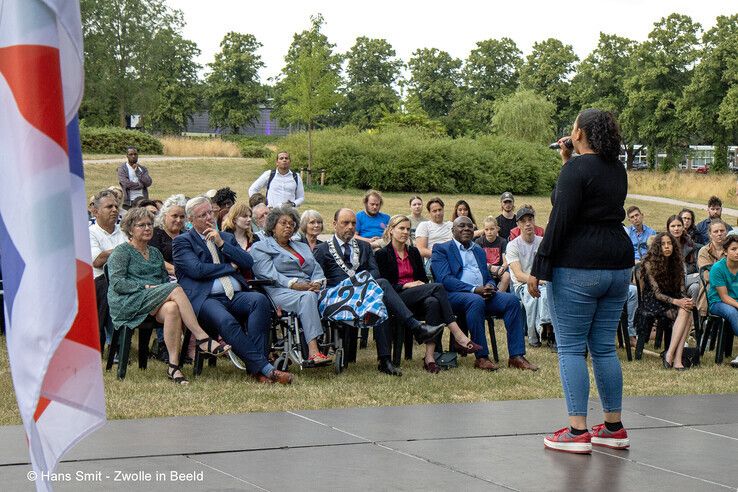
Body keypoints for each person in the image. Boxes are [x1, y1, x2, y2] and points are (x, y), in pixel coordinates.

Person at [528, 109, 634, 454]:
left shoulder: (577, 168)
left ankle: (577, 432)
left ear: (579, 133)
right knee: (604, 347)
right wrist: (566, 162)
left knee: (572, 347)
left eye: (574, 127)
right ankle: (613, 428)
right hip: (618, 263)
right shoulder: (617, 169)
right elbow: (578, 199)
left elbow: (561, 216)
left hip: (578, 266)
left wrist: (539, 266)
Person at [173, 196, 293, 384]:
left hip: (235, 294)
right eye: (202, 215)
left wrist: (221, 244)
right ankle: (266, 370)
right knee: (227, 321)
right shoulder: (183, 241)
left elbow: (247, 262)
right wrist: (230, 267)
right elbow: (197, 270)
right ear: (190, 220)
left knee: (259, 301)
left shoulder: (226, 237)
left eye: (210, 213)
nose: (208, 218)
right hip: (205, 298)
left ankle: (257, 369)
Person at [313, 208, 444, 376]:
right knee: (381, 286)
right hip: (337, 298)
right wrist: (353, 283)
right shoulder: (322, 249)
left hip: (363, 295)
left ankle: (385, 361)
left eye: (353, 223)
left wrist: (360, 283)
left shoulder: (364, 247)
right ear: (334, 224)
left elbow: (375, 272)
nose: (350, 227)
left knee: (380, 302)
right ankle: (416, 327)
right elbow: (317, 278)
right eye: (345, 223)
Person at [107, 208, 231, 384]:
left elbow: (164, 280)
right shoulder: (121, 252)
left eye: (149, 224)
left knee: (172, 307)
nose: (147, 228)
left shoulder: (155, 253)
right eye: (141, 225)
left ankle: (173, 367)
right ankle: (202, 338)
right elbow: (118, 284)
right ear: (130, 229)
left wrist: (157, 288)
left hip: (152, 300)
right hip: (128, 301)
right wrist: (147, 286)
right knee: (175, 289)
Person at [375, 215, 483, 373]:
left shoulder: (413, 252)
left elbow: (423, 279)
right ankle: (458, 334)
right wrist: (406, 285)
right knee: (438, 287)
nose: (405, 232)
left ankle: (429, 357)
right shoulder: (382, 254)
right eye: (401, 228)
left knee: (433, 302)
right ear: (391, 230)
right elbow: (384, 286)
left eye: (408, 229)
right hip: (396, 299)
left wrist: (417, 286)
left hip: (415, 298)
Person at [432, 216, 538, 372]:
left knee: (512, 301)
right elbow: (445, 279)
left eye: (470, 226)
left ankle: (516, 356)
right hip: (454, 296)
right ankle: (481, 357)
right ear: (453, 230)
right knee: (475, 301)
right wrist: (475, 289)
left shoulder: (478, 250)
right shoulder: (442, 249)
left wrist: (489, 286)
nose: (467, 229)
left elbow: (488, 277)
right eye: (461, 226)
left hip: (481, 294)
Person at [250, 206, 332, 366]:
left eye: (291, 223)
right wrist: (294, 284)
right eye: (283, 223)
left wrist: (317, 282)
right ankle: (313, 352)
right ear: (273, 226)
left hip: (309, 288)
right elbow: (267, 273)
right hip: (280, 291)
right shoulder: (261, 247)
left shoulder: (301, 246)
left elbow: (315, 268)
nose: (288, 226)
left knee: (333, 296)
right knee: (308, 297)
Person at [639, 233, 694, 371]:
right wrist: (678, 302)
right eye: (663, 244)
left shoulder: (677, 263)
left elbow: (681, 289)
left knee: (686, 310)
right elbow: (656, 294)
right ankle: (674, 357)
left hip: (673, 299)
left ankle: (674, 357)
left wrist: (684, 300)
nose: (667, 246)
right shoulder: (649, 263)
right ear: (657, 247)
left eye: (669, 243)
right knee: (685, 313)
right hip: (653, 300)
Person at [506, 206, 552, 348]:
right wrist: (539, 281)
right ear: (518, 225)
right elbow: (518, 275)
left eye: (530, 219)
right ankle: (534, 336)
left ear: (534, 221)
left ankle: (547, 330)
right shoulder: (512, 245)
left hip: (543, 283)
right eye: (523, 221)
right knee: (532, 295)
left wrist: (542, 282)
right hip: (522, 285)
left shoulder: (542, 242)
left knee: (545, 294)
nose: (527, 224)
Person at [89, 189, 128, 350]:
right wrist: (125, 250)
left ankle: (114, 343)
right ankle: (110, 343)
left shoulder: (124, 231)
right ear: (96, 211)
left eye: (116, 206)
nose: (114, 210)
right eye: (109, 207)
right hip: (98, 281)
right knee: (107, 286)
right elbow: (97, 261)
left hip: (125, 278)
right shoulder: (90, 232)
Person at [707, 235, 738, 367]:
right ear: (725, 251)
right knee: (732, 312)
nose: (737, 252)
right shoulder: (718, 268)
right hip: (718, 303)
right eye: (733, 249)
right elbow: (724, 297)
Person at [150, 194, 187, 277]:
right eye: (175, 216)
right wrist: (178, 272)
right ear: (164, 215)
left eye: (182, 217)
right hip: (164, 277)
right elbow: (155, 259)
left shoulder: (186, 235)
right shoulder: (154, 233)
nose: (178, 220)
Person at [666, 214, 700, 306]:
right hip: (670, 282)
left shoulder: (690, 245)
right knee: (702, 277)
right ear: (668, 228)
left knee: (696, 287)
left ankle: (693, 316)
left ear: (683, 227)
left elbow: (694, 265)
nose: (676, 229)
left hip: (687, 281)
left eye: (679, 225)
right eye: (673, 226)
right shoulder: (665, 245)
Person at [697, 220, 728, 316]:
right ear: (710, 234)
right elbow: (706, 276)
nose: (719, 234)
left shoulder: (732, 249)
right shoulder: (704, 251)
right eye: (715, 231)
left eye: (722, 231)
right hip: (711, 289)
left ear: (726, 232)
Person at [475, 216, 510, 292]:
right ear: (484, 230)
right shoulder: (479, 242)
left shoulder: (502, 241)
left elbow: (506, 261)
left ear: (497, 229)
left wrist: (502, 268)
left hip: (498, 270)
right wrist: (490, 267)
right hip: (484, 268)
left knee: (506, 276)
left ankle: (498, 295)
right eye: (486, 229)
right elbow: (478, 261)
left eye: (492, 229)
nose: (489, 232)